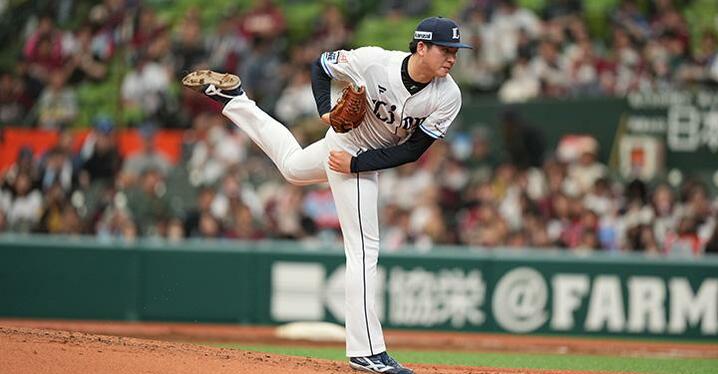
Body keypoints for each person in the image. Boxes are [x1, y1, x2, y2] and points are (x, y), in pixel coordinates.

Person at [182, 16, 470, 374]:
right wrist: (324, 112)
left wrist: (356, 163)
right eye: (446, 49)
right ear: (422, 47)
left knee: (291, 168)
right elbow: (321, 65)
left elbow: (412, 151)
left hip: (358, 159)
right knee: (364, 249)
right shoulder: (374, 62)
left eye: (456, 51)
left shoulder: (448, 95)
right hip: (345, 149)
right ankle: (367, 351)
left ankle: (235, 99)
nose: (452, 57)